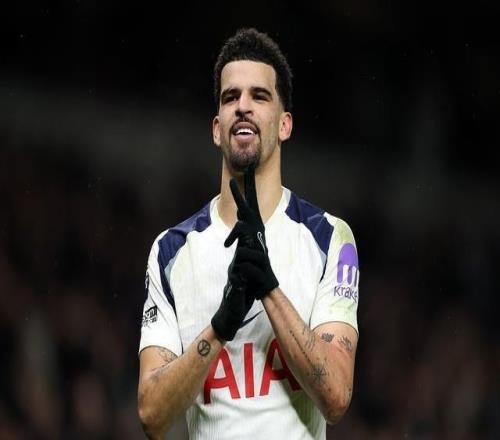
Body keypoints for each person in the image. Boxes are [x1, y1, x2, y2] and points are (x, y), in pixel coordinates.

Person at [137, 28, 360, 440]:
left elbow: (336, 397)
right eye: (230, 97)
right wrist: (220, 326)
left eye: (259, 96)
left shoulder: (329, 238)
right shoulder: (170, 251)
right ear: (216, 128)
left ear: (285, 124)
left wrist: (268, 289)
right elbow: (152, 415)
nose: (243, 106)